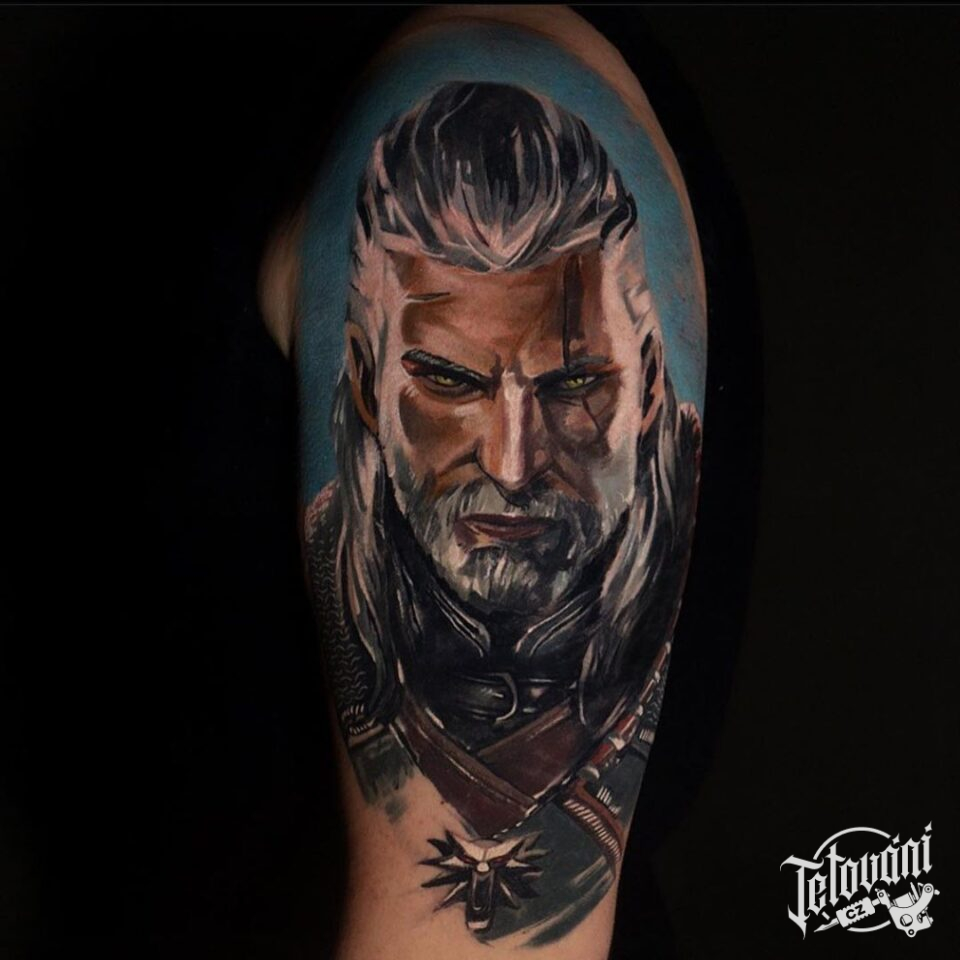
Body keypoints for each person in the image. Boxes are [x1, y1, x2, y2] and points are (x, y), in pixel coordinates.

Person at [261, 7, 705, 957]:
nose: (511, 463)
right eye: (450, 383)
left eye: (574, 384)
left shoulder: (460, 61)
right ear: (365, 382)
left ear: (651, 382)